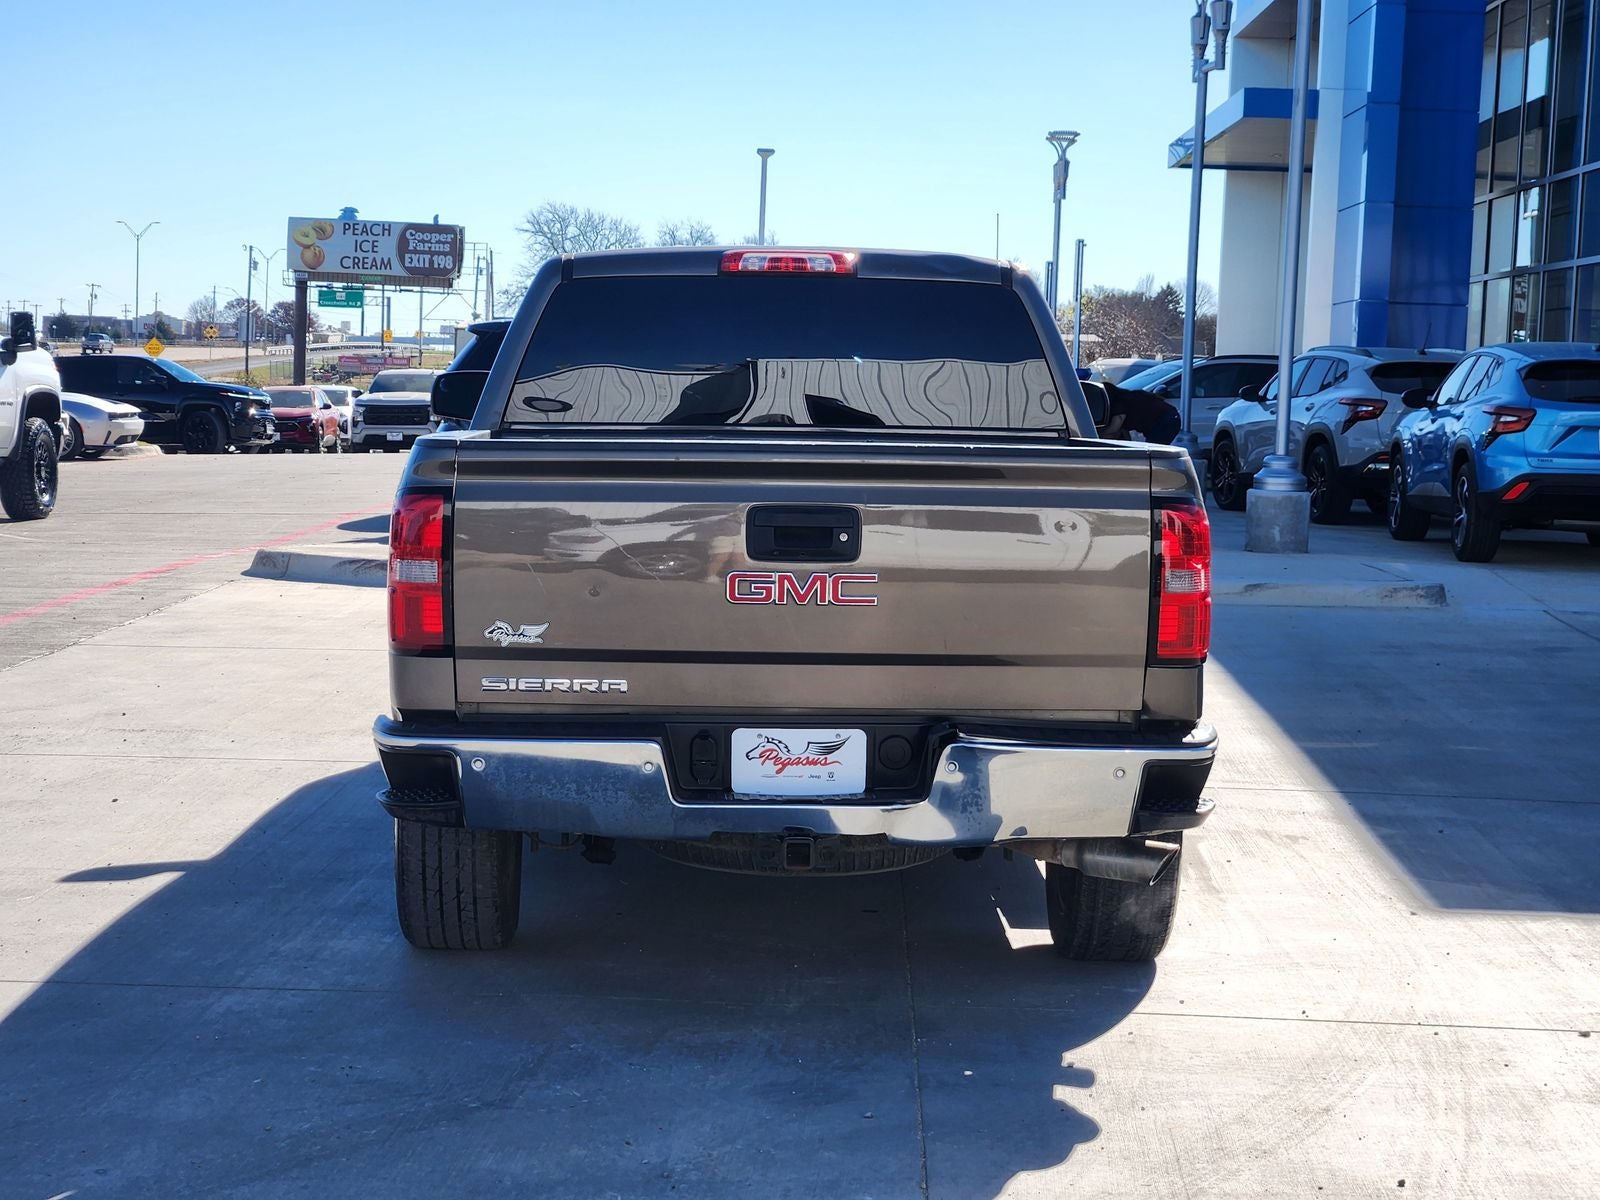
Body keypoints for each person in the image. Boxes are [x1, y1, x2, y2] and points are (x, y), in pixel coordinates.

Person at [1101, 380, 1182, 444]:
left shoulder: (1118, 402)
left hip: (1164, 420)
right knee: (1155, 449)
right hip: (1170, 416)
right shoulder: (1126, 396)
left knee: (1154, 452)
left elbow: (1115, 428)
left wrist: (1099, 435)